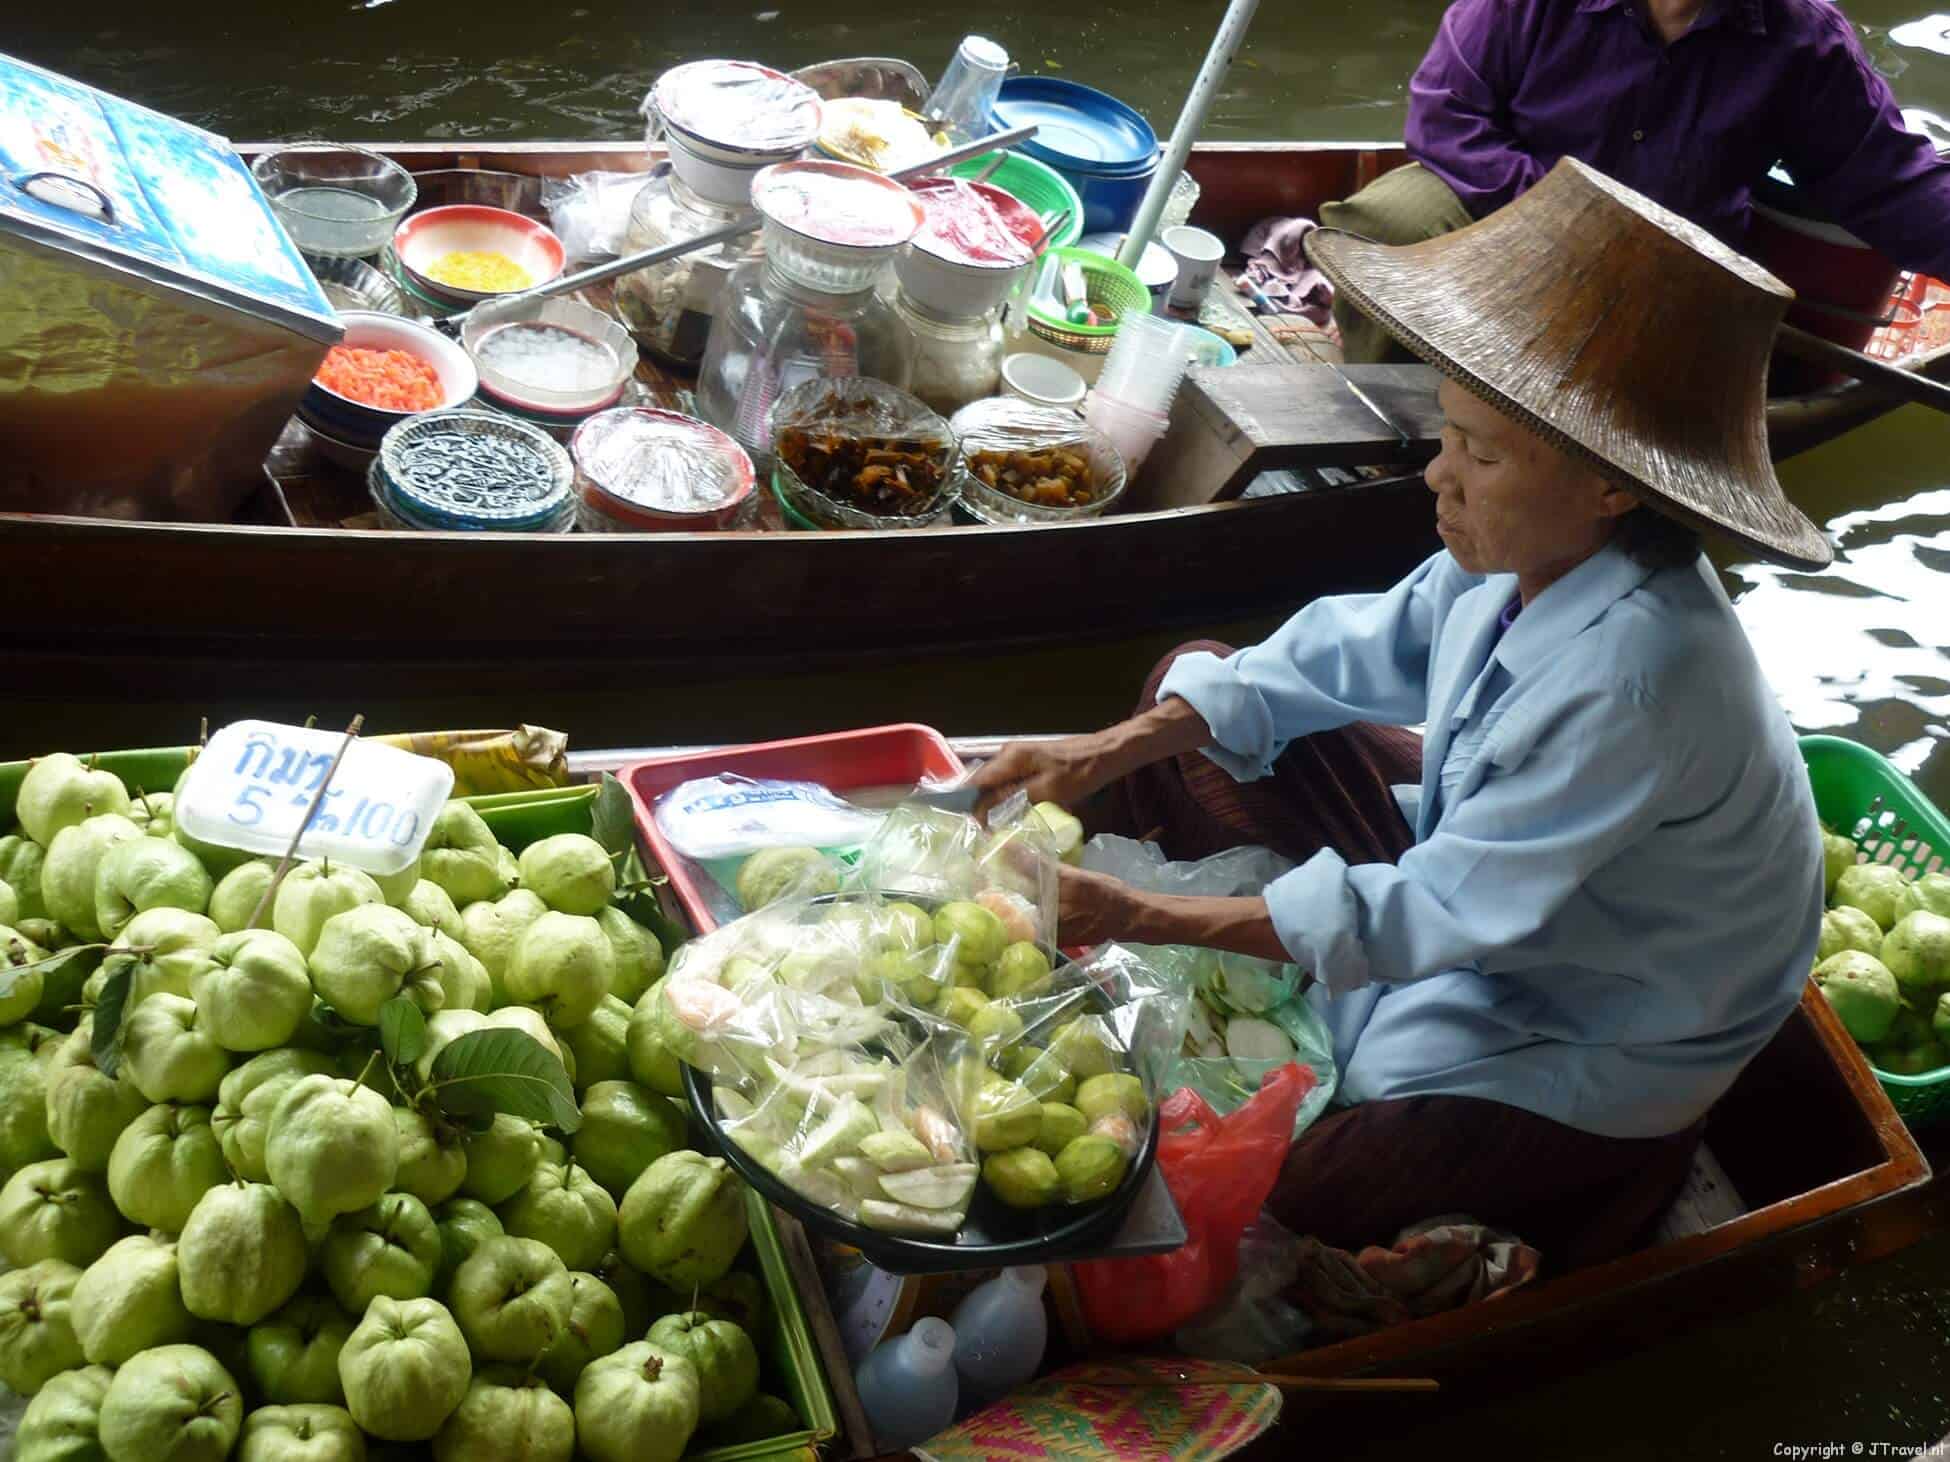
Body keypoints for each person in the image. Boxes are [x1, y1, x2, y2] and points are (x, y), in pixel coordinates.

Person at [970, 157, 1833, 1270]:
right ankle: (1260, 947)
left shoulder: (1640, 682)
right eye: (1447, 435)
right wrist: (1104, 751)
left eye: (1478, 452)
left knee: (1295, 1185)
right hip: (1493, 887)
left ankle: (1629, 1171)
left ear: (1613, 486)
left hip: (1603, 1013)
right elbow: (1358, 649)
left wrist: (1135, 914)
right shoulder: (1532, 544)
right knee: (1192, 682)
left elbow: (1433, 916)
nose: (1439, 476)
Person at [1325, 0, 1950, 362]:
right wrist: (1575, 224)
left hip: (1662, 271)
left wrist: (1627, 251)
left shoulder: (1804, 41)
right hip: (1504, 220)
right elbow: (1446, 114)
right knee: (1394, 217)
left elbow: (1891, 183)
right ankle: (1391, 433)